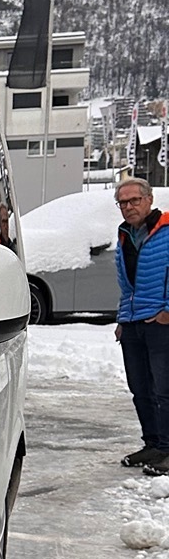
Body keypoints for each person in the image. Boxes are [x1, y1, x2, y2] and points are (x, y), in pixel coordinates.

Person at [115, 176, 169, 470]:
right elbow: (126, 284)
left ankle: (168, 449)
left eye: (134, 200)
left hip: (161, 323)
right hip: (133, 322)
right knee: (141, 389)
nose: (128, 207)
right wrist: (122, 318)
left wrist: (167, 312)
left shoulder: (166, 231)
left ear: (149, 200)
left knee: (164, 389)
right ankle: (153, 445)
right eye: (122, 202)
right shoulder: (125, 235)